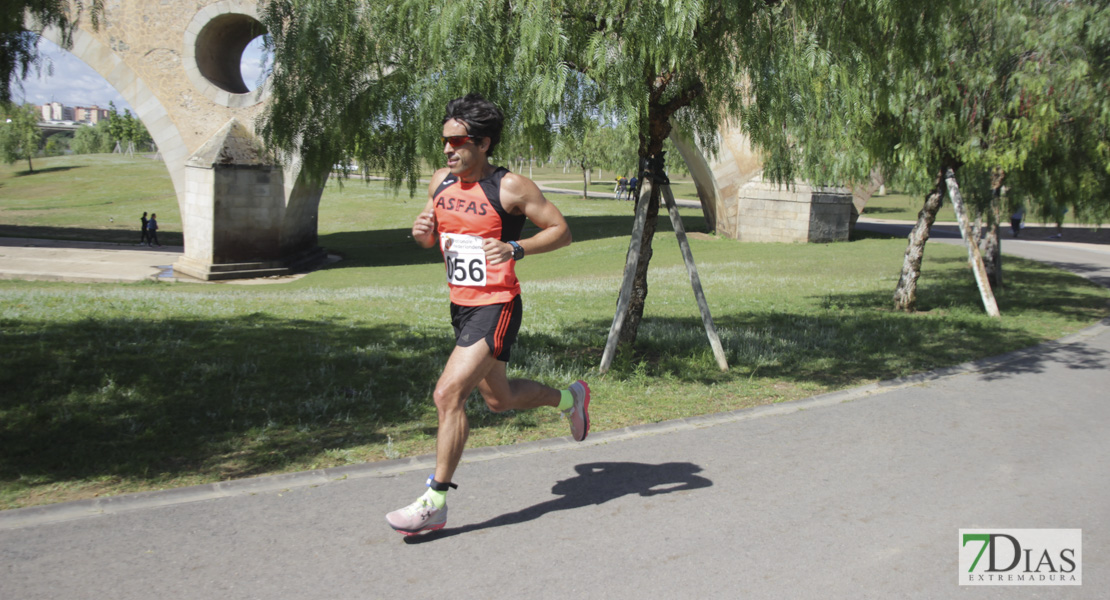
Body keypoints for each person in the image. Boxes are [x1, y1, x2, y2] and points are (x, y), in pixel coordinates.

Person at [386, 93, 591, 536]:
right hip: (461, 305)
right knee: (500, 401)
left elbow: (562, 231)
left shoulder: (510, 187)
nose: (447, 149)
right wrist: (421, 233)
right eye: (444, 141)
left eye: (457, 141)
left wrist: (515, 247)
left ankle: (434, 500)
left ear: (483, 143)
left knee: (448, 395)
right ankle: (572, 398)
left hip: (496, 305)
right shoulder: (440, 182)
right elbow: (430, 233)